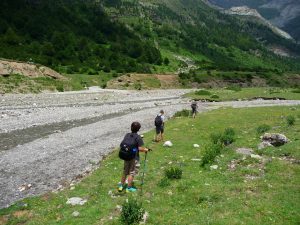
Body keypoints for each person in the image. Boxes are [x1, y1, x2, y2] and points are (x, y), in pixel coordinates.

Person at [118, 122, 150, 193]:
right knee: (131, 172)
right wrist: (146, 149)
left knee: (125, 171)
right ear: (138, 129)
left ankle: (121, 186)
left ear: (131, 127)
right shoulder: (138, 137)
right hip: (134, 158)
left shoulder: (127, 135)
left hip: (126, 156)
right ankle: (129, 188)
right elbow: (140, 149)